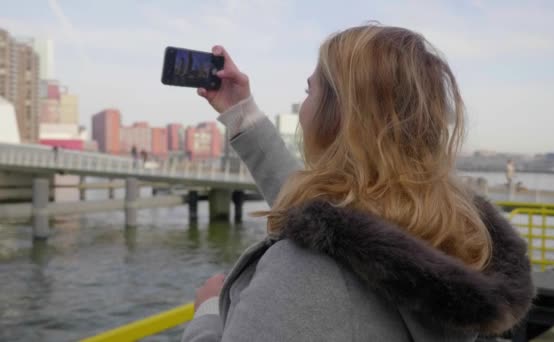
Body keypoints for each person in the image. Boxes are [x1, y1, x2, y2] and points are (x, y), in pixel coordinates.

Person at [183, 25, 534, 342]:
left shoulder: (305, 273)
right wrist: (241, 112)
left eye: (309, 91)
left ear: (339, 118)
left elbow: (331, 236)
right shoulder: (450, 241)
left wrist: (209, 312)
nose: (302, 108)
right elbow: (342, 224)